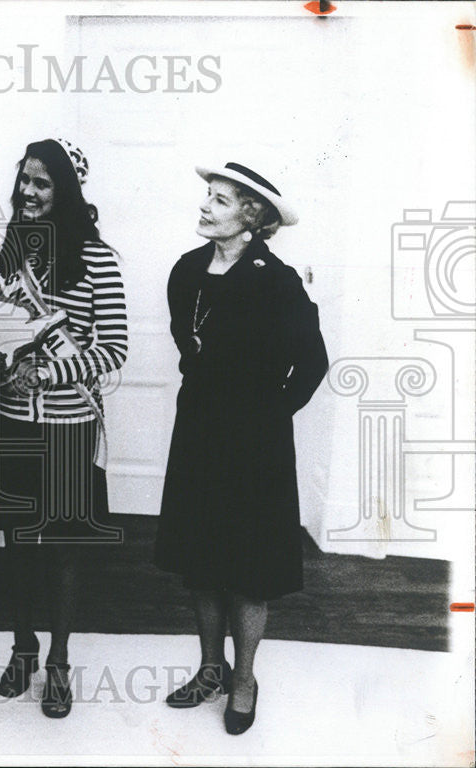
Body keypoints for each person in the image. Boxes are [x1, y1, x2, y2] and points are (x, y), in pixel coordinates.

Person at [154, 162, 329, 735]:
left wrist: (271, 414)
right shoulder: (186, 271)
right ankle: (210, 668)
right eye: (208, 195)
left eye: (221, 200)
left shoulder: (277, 280)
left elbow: (312, 362)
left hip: (256, 444)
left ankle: (245, 679)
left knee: (249, 567)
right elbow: (190, 344)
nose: (205, 206)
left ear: (252, 216)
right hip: (201, 431)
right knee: (203, 560)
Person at [0, 138, 128, 719]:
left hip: (66, 426)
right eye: (24, 180)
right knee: (15, 540)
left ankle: (58, 661)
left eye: (43, 183)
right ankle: (22, 648)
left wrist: (51, 369)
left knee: (60, 547)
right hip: (7, 420)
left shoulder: (99, 259)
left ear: (67, 193)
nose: (29, 192)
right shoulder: (3, 259)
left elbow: (114, 351)